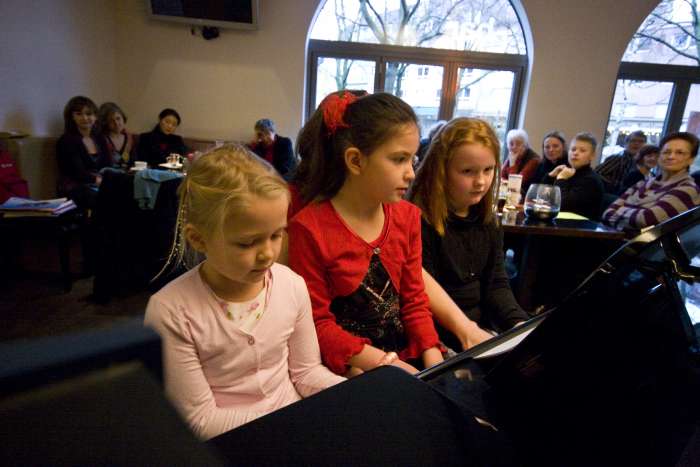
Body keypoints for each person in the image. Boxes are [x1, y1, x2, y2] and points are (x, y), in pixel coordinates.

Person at [144, 145, 345, 440]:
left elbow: (305, 372)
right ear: (199, 239)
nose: (267, 254)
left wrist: (350, 393)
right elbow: (200, 419)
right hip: (231, 442)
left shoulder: (291, 285)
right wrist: (289, 423)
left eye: (276, 235)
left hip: (293, 425)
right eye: (247, 243)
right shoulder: (171, 311)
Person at [287, 91, 445, 377]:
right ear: (356, 161)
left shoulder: (408, 217)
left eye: (413, 159)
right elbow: (317, 323)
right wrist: (388, 365)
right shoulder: (309, 227)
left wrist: (434, 359)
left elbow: (414, 302)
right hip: (350, 364)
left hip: (404, 358)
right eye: (399, 160)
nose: (411, 173)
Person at [408, 117, 529, 349]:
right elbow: (422, 303)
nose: (481, 182)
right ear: (441, 171)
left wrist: (518, 323)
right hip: (439, 338)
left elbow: (497, 284)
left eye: (488, 170)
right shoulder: (419, 220)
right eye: (467, 171)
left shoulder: (488, 221)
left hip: (478, 333)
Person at [602, 132, 700, 232]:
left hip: (644, 247)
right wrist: (636, 214)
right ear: (660, 156)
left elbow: (645, 220)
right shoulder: (643, 183)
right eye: (666, 152)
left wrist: (621, 211)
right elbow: (607, 213)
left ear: (691, 159)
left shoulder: (687, 189)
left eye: (680, 153)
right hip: (616, 239)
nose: (671, 156)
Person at [56, 96, 112, 209]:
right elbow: (75, 172)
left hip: (99, 182)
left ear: (95, 116)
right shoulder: (66, 140)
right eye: (79, 114)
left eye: (89, 113)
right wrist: (99, 181)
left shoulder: (100, 138)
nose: (85, 118)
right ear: (71, 117)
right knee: (103, 197)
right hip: (76, 185)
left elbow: (108, 165)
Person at [542, 132, 604, 220]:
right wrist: (550, 176)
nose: (575, 153)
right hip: (560, 223)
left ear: (592, 156)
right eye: (573, 149)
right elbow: (541, 197)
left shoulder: (590, 180)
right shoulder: (569, 172)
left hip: (578, 229)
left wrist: (561, 179)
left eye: (582, 150)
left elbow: (563, 206)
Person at [98, 102, 136, 169]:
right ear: (105, 123)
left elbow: (134, 161)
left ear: (123, 118)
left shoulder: (130, 138)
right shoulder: (101, 139)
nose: (116, 123)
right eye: (111, 121)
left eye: (118, 118)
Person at [501, 129, 541, 193]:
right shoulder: (513, 155)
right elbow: (501, 176)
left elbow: (515, 184)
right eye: (511, 144)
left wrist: (512, 164)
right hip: (510, 192)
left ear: (525, 145)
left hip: (525, 195)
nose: (514, 147)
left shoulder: (534, 160)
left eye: (518, 144)